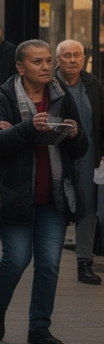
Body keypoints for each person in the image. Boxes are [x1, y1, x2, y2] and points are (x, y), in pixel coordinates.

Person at [0, 39, 89, 344]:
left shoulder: (61, 96)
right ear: (20, 67)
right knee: (16, 259)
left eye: (47, 61)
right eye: (37, 62)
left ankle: (39, 326)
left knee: (49, 264)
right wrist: (28, 128)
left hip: (54, 197)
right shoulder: (3, 98)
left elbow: (79, 148)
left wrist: (73, 134)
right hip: (16, 196)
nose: (46, 67)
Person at [54, 40, 103, 283]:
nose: (72, 60)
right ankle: (50, 262)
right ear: (58, 60)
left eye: (77, 55)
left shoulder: (93, 85)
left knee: (88, 208)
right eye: (67, 56)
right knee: (57, 207)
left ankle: (85, 262)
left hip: (89, 156)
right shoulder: (49, 85)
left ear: (83, 59)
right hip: (57, 156)